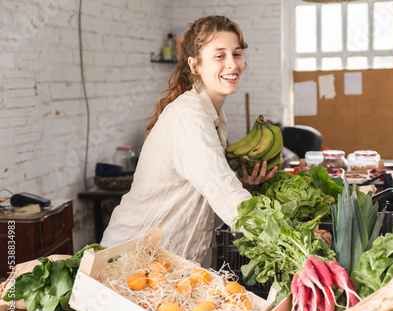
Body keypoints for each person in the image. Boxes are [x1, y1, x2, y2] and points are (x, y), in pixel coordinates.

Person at [100, 15, 277, 264]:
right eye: (219, 55)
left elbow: (205, 192)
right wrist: (285, 239)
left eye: (236, 54)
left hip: (166, 266)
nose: (232, 64)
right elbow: (224, 194)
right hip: (131, 261)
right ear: (195, 66)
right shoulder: (188, 116)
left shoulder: (214, 117)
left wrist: (243, 185)